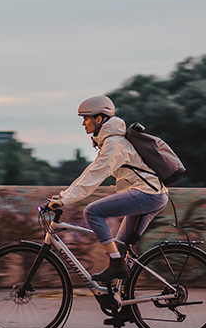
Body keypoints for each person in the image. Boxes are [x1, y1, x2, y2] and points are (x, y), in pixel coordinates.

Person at [50, 95, 167, 283]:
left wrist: (63, 199)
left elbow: (94, 176)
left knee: (93, 211)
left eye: (86, 118)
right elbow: (91, 172)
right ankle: (125, 306)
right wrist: (64, 196)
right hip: (153, 194)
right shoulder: (111, 142)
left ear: (99, 119)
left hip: (147, 194)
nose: (83, 124)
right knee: (121, 250)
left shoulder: (114, 144)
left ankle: (116, 264)